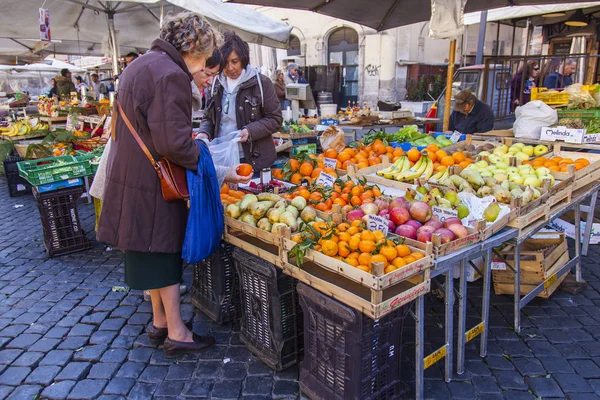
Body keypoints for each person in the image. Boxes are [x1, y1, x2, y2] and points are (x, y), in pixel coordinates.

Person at [98, 12, 250, 358]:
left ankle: (160, 322)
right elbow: (173, 144)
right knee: (164, 252)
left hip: (132, 174)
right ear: (197, 48)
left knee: (149, 250)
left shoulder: (141, 65)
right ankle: (177, 333)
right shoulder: (170, 74)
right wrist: (208, 164)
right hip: (153, 182)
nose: (202, 69)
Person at [198, 31, 282, 171]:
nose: (230, 68)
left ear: (243, 59)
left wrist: (250, 131)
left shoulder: (261, 83)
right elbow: (208, 117)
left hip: (253, 159)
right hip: (224, 156)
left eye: (235, 62)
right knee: (226, 193)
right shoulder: (216, 84)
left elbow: (275, 119)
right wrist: (203, 133)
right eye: (225, 63)